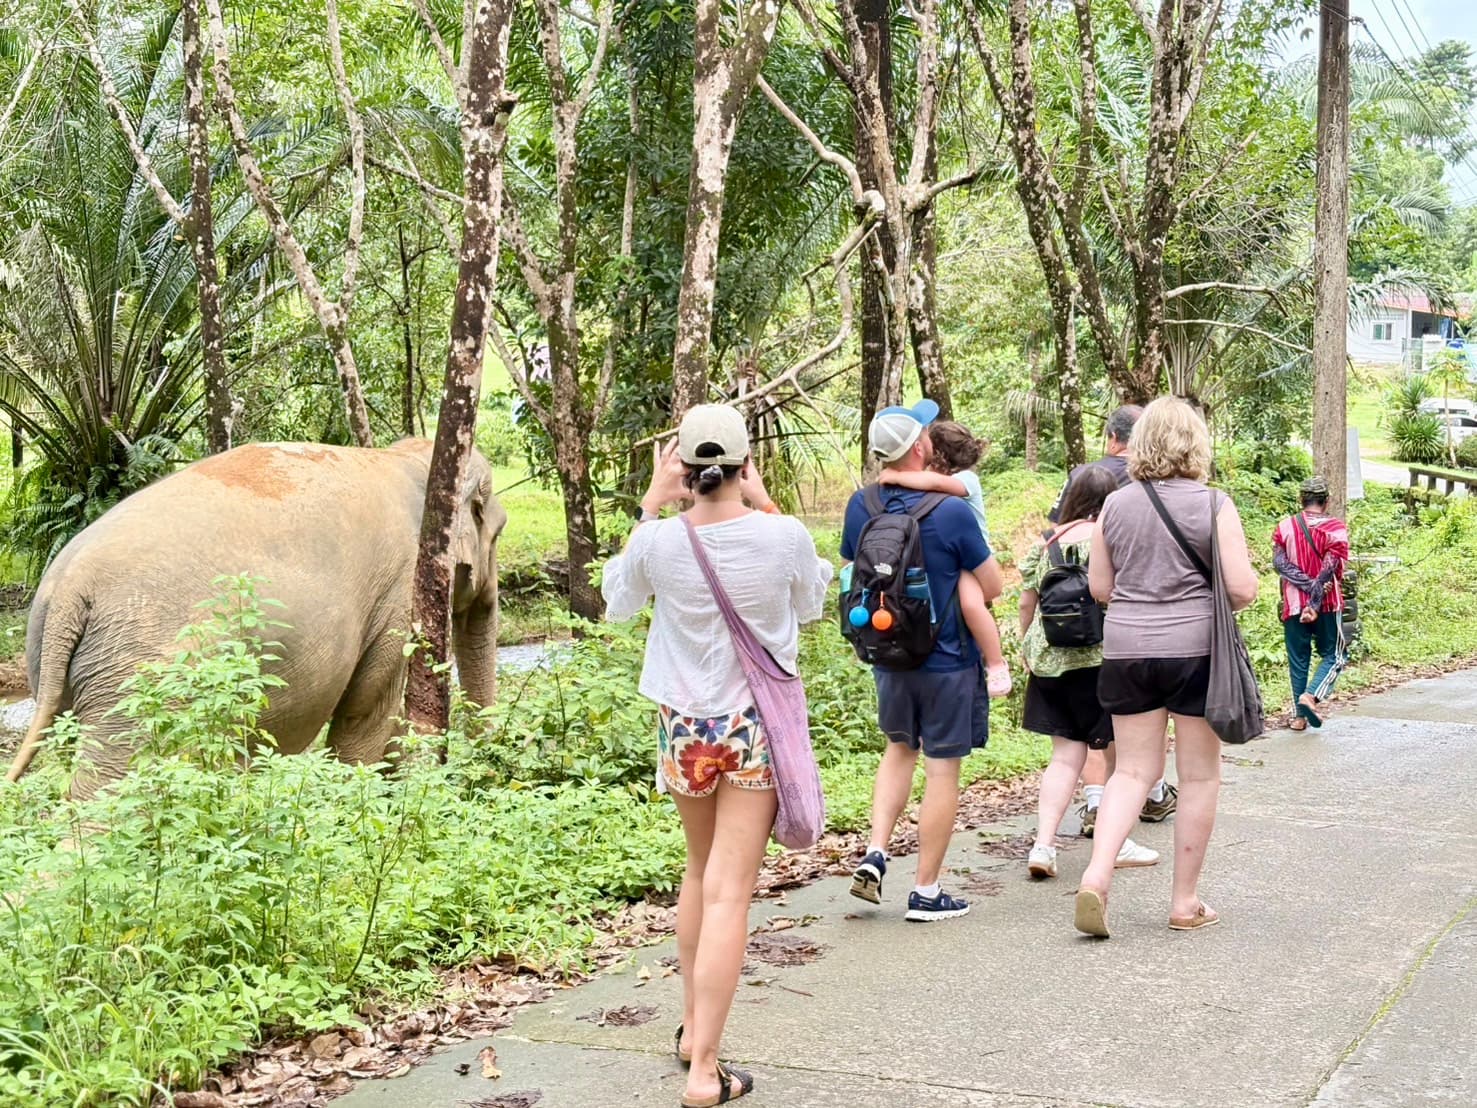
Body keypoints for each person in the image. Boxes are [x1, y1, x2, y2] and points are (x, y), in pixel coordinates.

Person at [602, 404, 832, 1106]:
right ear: (743, 465)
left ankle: (691, 1034)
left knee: (699, 871)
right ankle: (705, 1071)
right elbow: (813, 602)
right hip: (752, 727)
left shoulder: (658, 541)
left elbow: (617, 600)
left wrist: (648, 505)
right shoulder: (783, 535)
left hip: (684, 727)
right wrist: (765, 504)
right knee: (731, 891)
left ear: (681, 467)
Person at [1074, 397, 1259, 938]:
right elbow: (1242, 588)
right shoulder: (1214, 503)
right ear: (1195, 443)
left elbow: (1100, 587)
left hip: (1126, 648)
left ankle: (1096, 875)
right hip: (1195, 650)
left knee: (1132, 771)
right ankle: (1184, 902)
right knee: (1198, 774)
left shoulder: (1115, 505)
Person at [843, 400, 1005, 922]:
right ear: (920, 447)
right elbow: (993, 585)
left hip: (888, 654)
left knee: (898, 750)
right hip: (947, 658)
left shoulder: (861, 504)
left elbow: (853, 569)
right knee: (941, 770)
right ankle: (926, 891)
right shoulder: (951, 510)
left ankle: (875, 852)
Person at [1020, 466, 1159, 878]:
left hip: (1051, 662)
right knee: (1120, 756)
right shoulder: (1111, 537)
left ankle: (1044, 846)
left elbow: (1027, 603)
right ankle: (1115, 842)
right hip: (1104, 660)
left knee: (1065, 757)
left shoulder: (1047, 542)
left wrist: (1026, 647)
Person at [1057, 405, 1178, 836]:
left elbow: (1059, 536)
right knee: (1148, 715)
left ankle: (1098, 801)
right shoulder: (1160, 484)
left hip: (1076, 618)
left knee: (1093, 719)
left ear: (1112, 437)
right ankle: (1153, 792)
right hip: (1142, 618)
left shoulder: (1082, 475)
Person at [876, 419, 1012, 697]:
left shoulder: (966, 480)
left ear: (936, 455)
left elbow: (935, 482)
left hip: (972, 559)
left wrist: (897, 476)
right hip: (953, 556)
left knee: (971, 605)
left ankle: (997, 663)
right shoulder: (944, 483)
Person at [1273, 476, 1350, 730]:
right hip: (1327, 604)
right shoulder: (1335, 528)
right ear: (1326, 501)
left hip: (1293, 603)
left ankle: (1298, 718)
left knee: (1298, 660)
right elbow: (1330, 568)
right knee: (1335, 654)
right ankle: (1311, 695)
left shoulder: (1284, 527)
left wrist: (1306, 588)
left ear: (1301, 499)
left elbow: (1279, 564)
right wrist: (1316, 595)